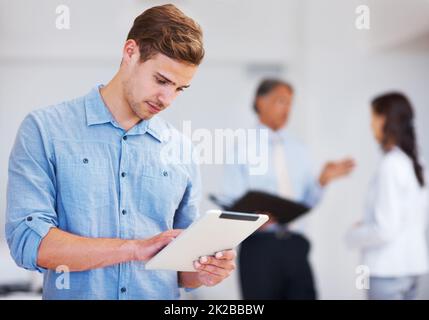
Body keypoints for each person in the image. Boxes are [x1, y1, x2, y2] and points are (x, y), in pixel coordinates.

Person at [5, 4, 236, 300]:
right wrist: (133, 249)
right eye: (162, 80)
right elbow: (29, 242)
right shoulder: (45, 130)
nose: (167, 99)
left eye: (180, 88)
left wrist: (206, 270)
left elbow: (183, 267)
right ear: (130, 52)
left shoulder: (181, 149)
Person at [221, 79, 355, 299]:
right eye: (280, 101)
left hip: (295, 246)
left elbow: (305, 203)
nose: (287, 108)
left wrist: (322, 181)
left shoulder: (299, 148)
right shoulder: (241, 148)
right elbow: (231, 202)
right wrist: (252, 219)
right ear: (260, 102)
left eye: (290, 103)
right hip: (259, 249)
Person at [346, 92, 429, 300]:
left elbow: (385, 229)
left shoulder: (390, 165)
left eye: (372, 118)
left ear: (383, 119)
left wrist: (353, 234)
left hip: (386, 271)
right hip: (413, 268)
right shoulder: (415, 163)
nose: (371, 125)